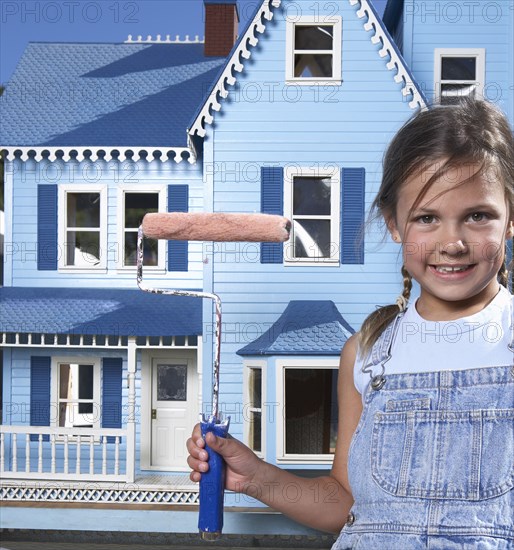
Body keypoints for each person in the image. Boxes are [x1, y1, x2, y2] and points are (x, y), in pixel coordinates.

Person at [187, 98, 514, 549]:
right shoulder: (367, 353)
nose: (452, 242)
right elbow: (345, 504)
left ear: (511, 217)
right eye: (426, 218)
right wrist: (256, 476)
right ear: (394, 224)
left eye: (478, 216)